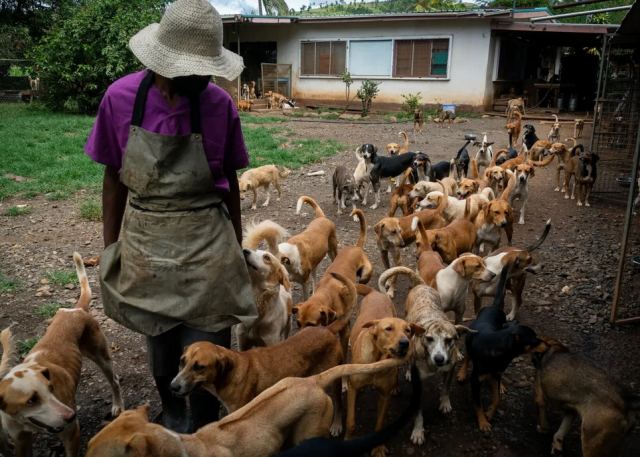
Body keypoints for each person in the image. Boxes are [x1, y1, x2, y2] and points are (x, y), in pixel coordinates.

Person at [85, 0, 256, 433]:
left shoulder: (219, 105)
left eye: (207, 69)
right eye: (193, 69)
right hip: (147, 239)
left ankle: (205, 424)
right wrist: (111, 248)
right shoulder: (120, 99)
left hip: (207, 242)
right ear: (164, 61)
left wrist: (236, 246)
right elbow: (113, 179)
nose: (204, 78)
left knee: (212, 342)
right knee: (160, 345)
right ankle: (173, 413)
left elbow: (232, 181)